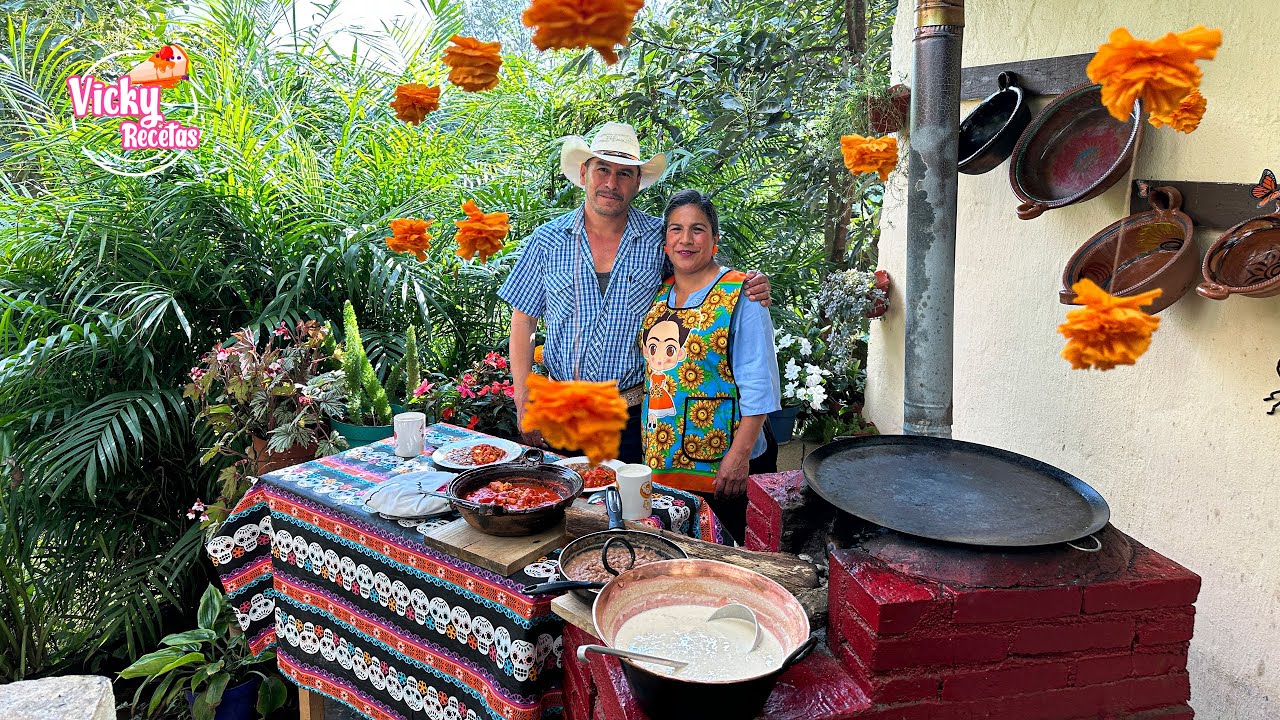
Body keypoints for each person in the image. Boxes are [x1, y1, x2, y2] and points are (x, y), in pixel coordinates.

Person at [499, 122, 770, 464]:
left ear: (638, 182)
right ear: (584, 173)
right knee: (565, 508)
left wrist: (751, 284)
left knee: (631, 512)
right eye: (603, 170)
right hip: (560, 409)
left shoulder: (660, 238)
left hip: (632, 414)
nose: (612, 183)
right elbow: (523, 322)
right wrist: (523, 400)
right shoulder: (546, 241)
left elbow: (706, 277)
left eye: (624, 174)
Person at [639, 190, 780, 543]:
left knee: (732, 561)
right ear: (665, 243)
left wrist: (739, 455)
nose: (686, 239)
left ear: (715, 240)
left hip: (724, 467)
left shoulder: (741, 295)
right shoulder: (659, 297)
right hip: (665, 463)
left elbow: (759, 382)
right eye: (676, 229)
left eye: (697, 229)